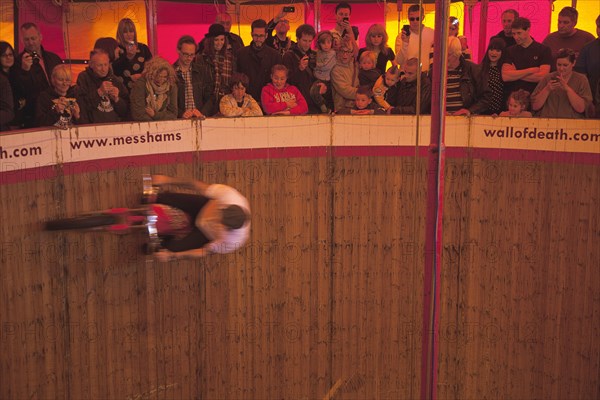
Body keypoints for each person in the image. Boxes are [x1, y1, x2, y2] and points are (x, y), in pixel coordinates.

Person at [149, 175, 251, 261]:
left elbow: (204, 251)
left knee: (167, 250)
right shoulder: (229, 196)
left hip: (205, 235)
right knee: (165, 197)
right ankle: (159, 197)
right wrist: (167, 180)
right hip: (203, 207)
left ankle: (164, 241)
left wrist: (172, 256)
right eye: (218, 213)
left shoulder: (232, 241)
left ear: (228, 229)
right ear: (225, 206)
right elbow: (195, 185)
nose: (214, 219)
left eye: (218, 221)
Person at [11, 22, 63, 128]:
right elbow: (18, 91)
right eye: (26, 39)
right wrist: (24, 71)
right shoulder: (17, 62)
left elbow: (65, 80)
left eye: (33, 38)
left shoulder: (54, 58)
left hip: (58, 110)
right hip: (34, 116)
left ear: (40, 37)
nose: (30, 42)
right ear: (22, 41)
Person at [433, 36, 490, 116]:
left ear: (457, 54)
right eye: (442, 54)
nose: (445, 58)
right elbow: (429, 100)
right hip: (442, 120)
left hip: (466, 121)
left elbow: (486, 98)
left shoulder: (473, 70)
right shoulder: (434, 72)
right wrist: (438, 111)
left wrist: (469, 111)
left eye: (448, 55)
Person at [531, 48, 592, 119]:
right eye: (559, 65)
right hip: (548, 124)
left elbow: (581, 108)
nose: (561, 68)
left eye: (565, 65)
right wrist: (547, 89)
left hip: (572, 125)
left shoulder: (581, 80)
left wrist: (567, 89)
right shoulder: (547, 78)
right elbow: (535, 106)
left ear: (573, 63)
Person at [502, 17, 552, 99]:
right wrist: (531, 70)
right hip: (513, 99)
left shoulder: (543, 50)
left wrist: (515, 73)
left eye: (519, 33)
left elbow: (542, 77)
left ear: (528, 30)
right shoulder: (509, 51)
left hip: (535, 96)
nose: (516, 37)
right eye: (514, 34)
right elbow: (505, 76)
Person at [76, 49, 129, 124]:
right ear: (91, 64)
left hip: (114, 129)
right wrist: (99, 93)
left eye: (105, 64)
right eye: (99, 65)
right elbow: (81, 107)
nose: (103, 69)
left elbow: (125, 111)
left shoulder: (115, 80)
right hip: (91, 128)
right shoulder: (84, 78)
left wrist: (117, 100)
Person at [237, 19, 282, 106]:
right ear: (251, 34)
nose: (258, 39)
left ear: (266, 35)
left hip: (268, 100)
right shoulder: (241, 54)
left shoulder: (275, 55)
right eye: (256, 35)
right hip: (245, 100)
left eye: (261, 36)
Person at [195, 24, 236, 116]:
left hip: (226, 100)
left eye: (222, 39)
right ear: (210, 41)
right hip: (207, 100)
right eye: (216, 40)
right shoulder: (202, 58)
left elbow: (233, 80)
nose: (219, 43)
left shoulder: (230, 58)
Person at [282, 24, 319, 113]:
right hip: (297, 100)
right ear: (298, 39)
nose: (307, 44)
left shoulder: (314, 55)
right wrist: (299, 69)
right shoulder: (289, 56)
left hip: (313, 99)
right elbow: (286, 81)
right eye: (304, 40)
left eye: (310, 41)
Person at [173, 35, 212, 119]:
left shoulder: (202, 71)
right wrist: (181, 113)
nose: (189, 58)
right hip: (179, 120)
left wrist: (202, 112)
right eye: (186, 54)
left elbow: (210, 96)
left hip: (199, 117)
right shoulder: (171, 73)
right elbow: (168, 100)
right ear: (178, 50)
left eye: (192, 55)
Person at [130, 56, 178, 121]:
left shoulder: (171, 86)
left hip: (165, 126)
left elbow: (173, 114)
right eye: (158, 76)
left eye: (165, 77)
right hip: (144, 126)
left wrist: (155, 115)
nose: (161, 80)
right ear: (151, 74)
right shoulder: (140, 85)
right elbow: (139, 114)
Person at [113, 18, 153, 92]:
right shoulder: (116, 49)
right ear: (120, 33)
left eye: (131, 31)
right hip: (122, 91)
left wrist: (142, 76)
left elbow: (152, 67)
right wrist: (128, 57)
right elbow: (114, 70)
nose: (129, 34)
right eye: (125, 32)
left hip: (141, 90)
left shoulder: (143, 48)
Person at [35, 64, 80, 129]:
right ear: (53, 80)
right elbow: (39, 123)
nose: (64, 83)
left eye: (67, 80)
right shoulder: (44, 97)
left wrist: (77, 116)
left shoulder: (75, 96)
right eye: (61, 80)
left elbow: (85, 124)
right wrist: (55, 111)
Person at [395, 5, 435, 72]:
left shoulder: (432, 33)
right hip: (407, 76)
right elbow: (399, 61)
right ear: (408, 18)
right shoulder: (401, 36)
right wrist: (405, 43)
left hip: (426, 75)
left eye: (418, 18)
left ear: (423, 18)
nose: (415, 21)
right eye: (412, 19)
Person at [574, 15, 600, 110]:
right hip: (594, 101)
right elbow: (581, 77)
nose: (599, 30)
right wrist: (588, 101)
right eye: (598, 26)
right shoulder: (588, 48)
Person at [310, 31, 336, 113]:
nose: (326, 45)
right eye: (323, 43)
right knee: (313, 92)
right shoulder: (319, 52)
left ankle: (324, 107)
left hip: (326, 79)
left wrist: (315, 65)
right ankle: (323, 107)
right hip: (317, 78)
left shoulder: (332, 53)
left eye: (328, 42)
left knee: (314, 91)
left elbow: (326, 66)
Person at [480, 38, 506, 115]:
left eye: (498, 51)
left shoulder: (504, 70)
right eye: (491, 49)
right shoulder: (480, 69)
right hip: (481, 111)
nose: (493, 53)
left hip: (499, 112)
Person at [331, 39, 359, 112]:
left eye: (348, 52)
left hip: (358, 106)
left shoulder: (357, 66)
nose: (345, 55)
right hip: (342, 109)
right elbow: (345, 90)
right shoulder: (335, 70)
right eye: (342, 51)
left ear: (352, 53)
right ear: (338, 52)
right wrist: (364, 94)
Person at [0, 41, 18, 128]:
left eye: (10, 54)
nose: (8, 57)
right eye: (4, 55)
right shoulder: (2, 80)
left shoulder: (18, 74)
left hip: (18, 122)